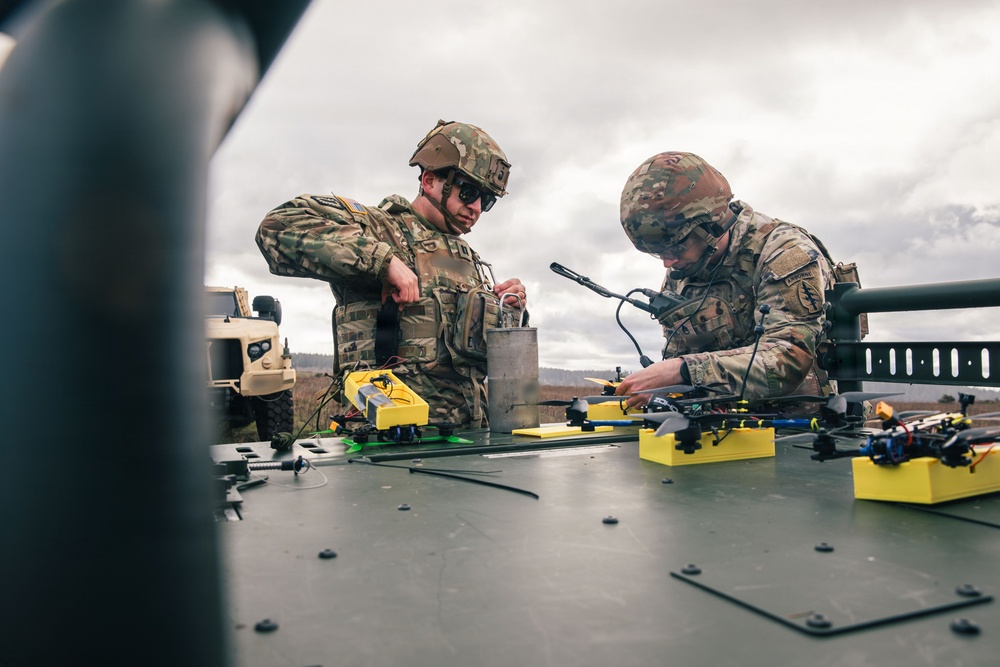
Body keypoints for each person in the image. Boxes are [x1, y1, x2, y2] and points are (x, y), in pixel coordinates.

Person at [256, 119, 526, 428]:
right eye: (468, 192)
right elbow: (276, 227)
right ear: (429, 181)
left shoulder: (467, 261)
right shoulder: (379, 228)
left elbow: (475, 360)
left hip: (465, 440)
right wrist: (383, 262)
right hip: (390, 445)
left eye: (486, 200)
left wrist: (508, 311)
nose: (476, 207)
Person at [615, 151, 837, 408]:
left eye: (674, 249)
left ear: (711, 227)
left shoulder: (784, 253)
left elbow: (788, 358)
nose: (667, 263)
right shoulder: (685, 267)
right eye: (657, 253)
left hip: (803, 430)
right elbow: (680, 353)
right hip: (718, 428)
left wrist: (683, 371)